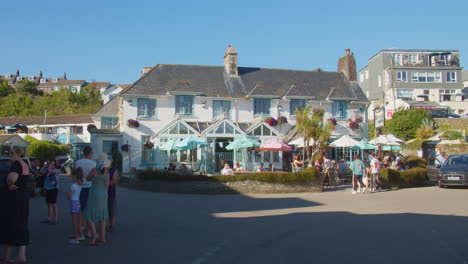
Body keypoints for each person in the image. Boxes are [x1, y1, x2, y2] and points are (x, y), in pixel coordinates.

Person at [0, 146, 31, 263]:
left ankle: (14, 256)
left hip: (13, 199)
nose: (9, 154)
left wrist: (9, 184)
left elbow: (11, 178)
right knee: (21, 224)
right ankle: (15, 255)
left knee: (11, 224)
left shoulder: (16, 165)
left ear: (18, 154)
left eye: (12, 153)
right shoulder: (24, 164)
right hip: (22, 198)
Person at [84, 160, 110, 245]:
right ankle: (103, 237)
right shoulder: (107, 170)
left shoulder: (94, 170)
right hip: (103, 193)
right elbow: (107, 185)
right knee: (102, 215)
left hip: (94, 192)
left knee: (89, 213)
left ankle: (95, 234)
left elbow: (87, 178)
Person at [75, 146, 96, 237]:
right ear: (90, 153)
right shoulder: (93, 163)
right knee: (89, 209)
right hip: (89, 187)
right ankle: (89, 231)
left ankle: (80, 228)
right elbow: (95, 176)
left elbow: (76, 174)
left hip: (80, 187)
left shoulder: (78, 162)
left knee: (81, 209)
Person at [67, 168, 84, 244]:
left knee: (74, 221)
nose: (71, 178)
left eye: (72, 176)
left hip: (74, 202)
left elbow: (69, 196)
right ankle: (81, 235)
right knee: (79, 220)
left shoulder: (73, 185)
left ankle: (76, 237)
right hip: (79, 202)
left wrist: (68, 195)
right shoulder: (81, 184)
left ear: (75, 176)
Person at [41, 157, 60, 225]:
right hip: (48, 188)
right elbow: (41, 170)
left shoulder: (56, 170)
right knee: (49, 204)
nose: (49, 164)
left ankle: (55, 219)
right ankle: (49, 218)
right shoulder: (47, 169)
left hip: (54, 188)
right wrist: (45, 165)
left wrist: (51, 164)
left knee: (53, 203)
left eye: (50, 162)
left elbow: (50, 170)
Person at [107, 156, 119, 232]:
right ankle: (102, 224)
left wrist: (106, 185)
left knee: (111, 208)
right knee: (102, 208)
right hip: (102, 191)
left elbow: (114, 180)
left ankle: (111, 225)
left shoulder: (113, 169)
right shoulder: (103, 169)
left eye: (108, 160)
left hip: (110, 191)